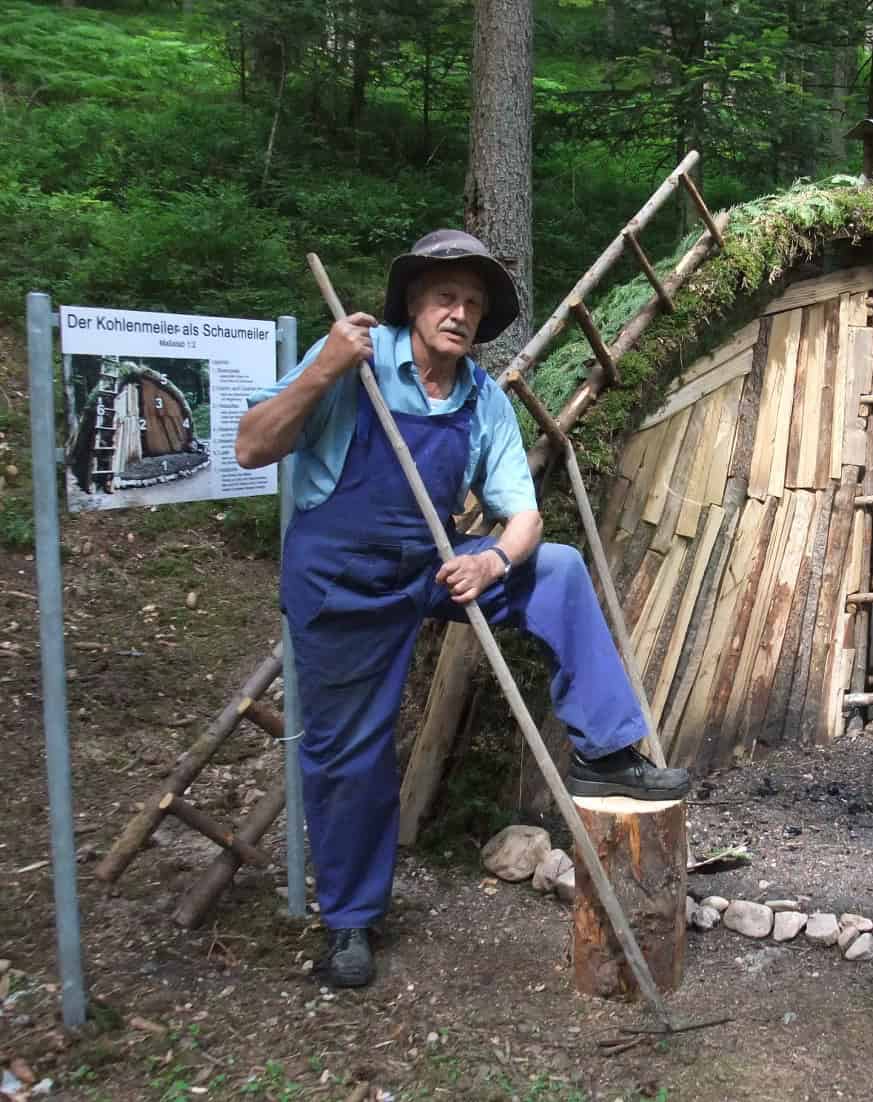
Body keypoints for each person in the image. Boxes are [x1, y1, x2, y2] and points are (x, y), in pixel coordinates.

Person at [237, 229, 689, 988]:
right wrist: (323, 369)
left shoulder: (481, 398)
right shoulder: (356, 359)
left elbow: (524, 516)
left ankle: (606, 752)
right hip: (340, 581)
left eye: (474, 303)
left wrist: (491, 558)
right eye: (446, 295)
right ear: (412, 301)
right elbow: (252, 447)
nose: (460, 312)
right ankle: (350, 925)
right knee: (350, 756)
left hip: (429, 564)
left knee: (557, 570)